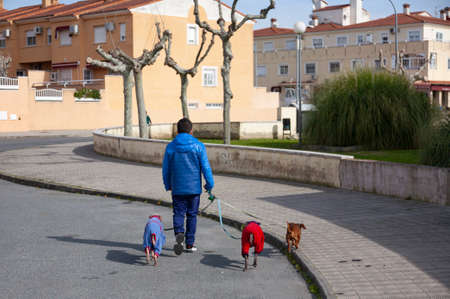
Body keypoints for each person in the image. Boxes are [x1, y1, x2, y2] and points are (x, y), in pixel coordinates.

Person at [162, 118, 214, 254]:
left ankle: (179, 233)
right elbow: (205, 167)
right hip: (194, 188)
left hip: (177, 187)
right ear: (191, 131)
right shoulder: (199, 146)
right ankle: (190, 244)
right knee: (192, 215)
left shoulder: (171, 146)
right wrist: (209, 184)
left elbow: (166, 169)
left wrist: (168, 184)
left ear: (177, 131)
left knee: (178, 213)